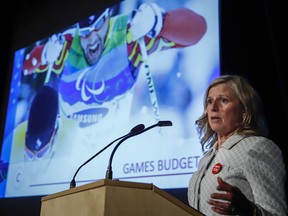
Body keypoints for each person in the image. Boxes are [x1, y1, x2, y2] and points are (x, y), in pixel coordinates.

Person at [21, 2, 207, 133]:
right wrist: (43, 54)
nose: (92, 38)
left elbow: (198, 29)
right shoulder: (68, 43)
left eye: (99, 26)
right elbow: (22, 67)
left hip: (115, 145)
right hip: (68, 151)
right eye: (85, 32)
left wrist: (161, 21)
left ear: (107, 18)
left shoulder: (128, 32)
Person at [187, 75, 287, 215]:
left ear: (244, 110)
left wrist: (250, 210)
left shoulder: (258, 147)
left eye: (223, 100)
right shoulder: (207, 158)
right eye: (210, 101)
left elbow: (276, 213)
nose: (214, 107)